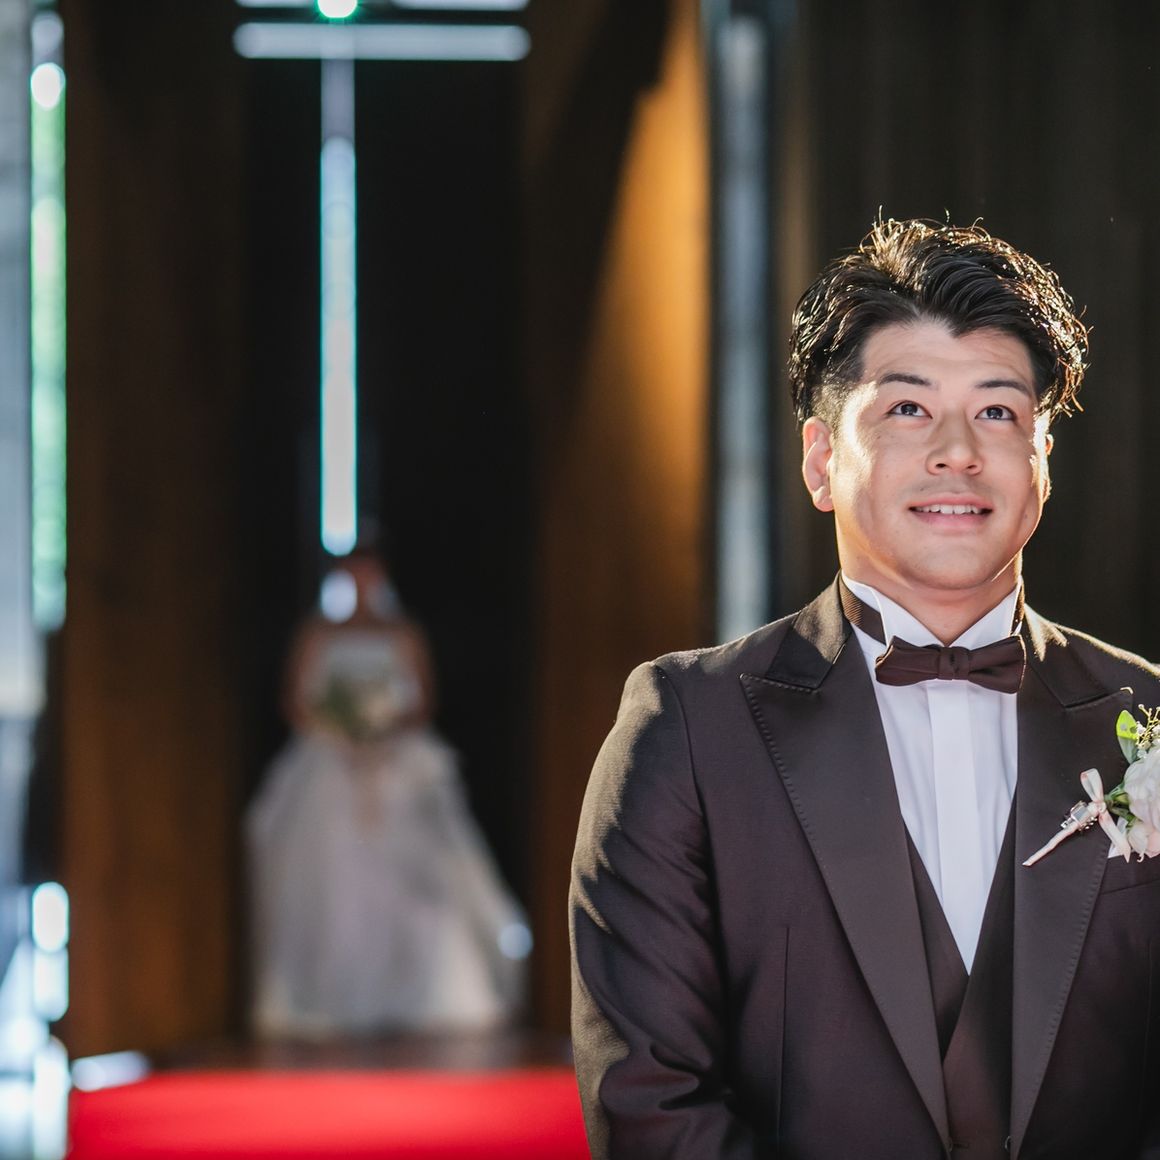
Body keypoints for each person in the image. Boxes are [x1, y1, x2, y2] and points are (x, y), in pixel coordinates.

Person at [570, 219, 1160, 1159]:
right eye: (909, 409)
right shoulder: (688, 728)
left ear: (1043, 460)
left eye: (999, 413)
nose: (958, 452)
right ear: (821, 461)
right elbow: (651, 1098)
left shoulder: (1145, 717)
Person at [248, 547, 529, 1037]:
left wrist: (380, 729)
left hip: (395, 759)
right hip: (331, 762)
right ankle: (326, 997)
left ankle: (416, 993)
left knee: (419, 879)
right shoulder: (317, 632)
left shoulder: (403, 631)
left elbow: (422, 700)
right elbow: (295, 701)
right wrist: (342, 729)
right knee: (330, 878)